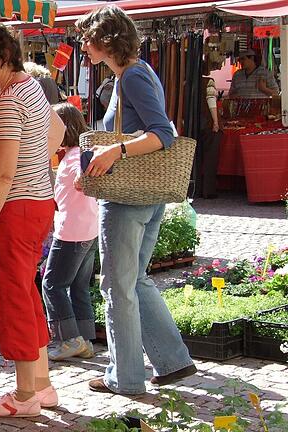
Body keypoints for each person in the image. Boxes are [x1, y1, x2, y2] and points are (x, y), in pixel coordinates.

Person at [76, 5, 196, 395]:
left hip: (129, 199)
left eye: (87, 36)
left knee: (116, 286)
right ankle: (173, 361)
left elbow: (164, 133)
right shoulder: (135, 74)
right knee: (135, 280)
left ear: (106, 38)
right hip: (145, 193)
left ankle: (125, 377)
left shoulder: (132, 77)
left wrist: (115, 152)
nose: (82, 44)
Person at [0, 18, 65, 417]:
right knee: (25, 291)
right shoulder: (30, 89)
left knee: (13, 297)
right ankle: (40, 385)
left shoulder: (8, 101)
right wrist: (33, 163)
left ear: (4, 57)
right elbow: (56, 131)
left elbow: (4, 173)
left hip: (13, 210)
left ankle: (24, 396)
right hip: (36, 203)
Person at [41, 102, 98, 361]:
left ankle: (70, 340)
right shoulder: (77, 152)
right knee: (79, 286)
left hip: (72, 232)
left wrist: (80, 179)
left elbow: (81, 175)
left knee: (51, 284)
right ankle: (85, 339)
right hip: (87, 229)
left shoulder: (74, 156)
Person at [196, 58, 222, 199]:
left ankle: (197, 188)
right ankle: (209, 190)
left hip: (194, 124)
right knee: (210, 157)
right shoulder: (208, 82)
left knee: (197, 157)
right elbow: (211, 101)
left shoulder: (185, 83)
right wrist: (216, 121)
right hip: (207, 123)